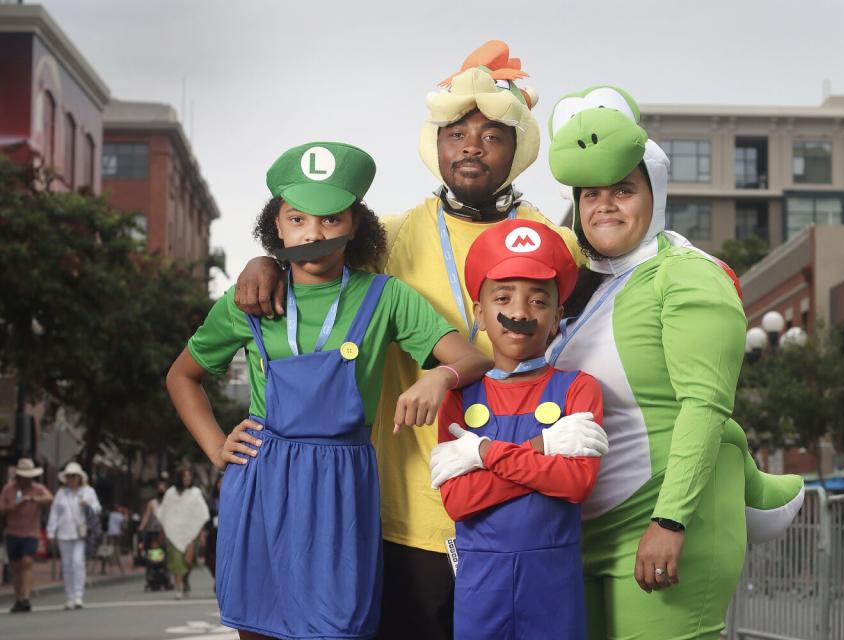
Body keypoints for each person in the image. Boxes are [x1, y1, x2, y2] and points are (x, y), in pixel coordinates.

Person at [233, 42, 580, 640]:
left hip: (518, 512)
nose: (471, 145)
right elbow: (313, 262)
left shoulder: (558, 245)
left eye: (492, 134)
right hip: (405, 511)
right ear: (435, 144)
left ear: (518, 147)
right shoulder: (387, 238)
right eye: (456, 132)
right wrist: (262, 264)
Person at [166, 141, 491, 640]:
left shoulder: (386, 296)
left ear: (355, 224)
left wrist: (438, 375)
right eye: (298, 219)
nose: (313, 233)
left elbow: (472, 358)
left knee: (340, 626)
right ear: (277, 223)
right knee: (259, 626)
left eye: (331, 220)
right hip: (262, 479)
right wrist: (215, 446)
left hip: (343, 484)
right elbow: (182, 375)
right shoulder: (249, 298)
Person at [545, 85, 805, 639]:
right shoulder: (574, 288)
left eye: (622, 189)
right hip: (582, 535)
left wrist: (671, 519)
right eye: (590, 193)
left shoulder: (687, 273)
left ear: (654, 192)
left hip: (669, 522)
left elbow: (705, 404)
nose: (604, 205)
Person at [430, 219, 608, 639]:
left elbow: (576, 483)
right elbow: (459, 501)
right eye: (503, 297)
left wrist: (484, 455)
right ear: (480, 313)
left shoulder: (578, 388)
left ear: (556, 316)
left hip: (553, 578)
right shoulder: (460, 395)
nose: (519, 313)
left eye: (538, 301)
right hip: (480, 579)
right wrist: (542, 446)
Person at [0, 458, 53, 613]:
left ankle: (26, 597)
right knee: (15, 567)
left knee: (27, 562)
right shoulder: (8, 489)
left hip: (31, 532)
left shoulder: (38, 488)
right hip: (13, 532)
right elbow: (2, 508)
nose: (26, 478)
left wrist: (32, 499)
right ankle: (18, 598)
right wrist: (16, 506)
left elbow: (50, 498)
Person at [47, 461, 101, 610]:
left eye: (74, 476)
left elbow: (97, 509)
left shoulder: (88, 491)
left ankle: (78, 595)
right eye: (69, 476)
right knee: (67, 565)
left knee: (78, 562)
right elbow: (55, 513)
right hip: (64, 533)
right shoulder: (61, 493)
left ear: (79, 477)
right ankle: (69, 596)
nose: (71, 479)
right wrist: (51, 531)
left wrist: (87, 505)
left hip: (81, 533)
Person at [158, 467, 208, 599]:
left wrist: (201, 533)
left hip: (192, 532)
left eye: (189, 476)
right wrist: (165, 530)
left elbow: (202, 514)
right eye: (185, 476)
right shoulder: (170, 493)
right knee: (176, 561)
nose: (187, 478)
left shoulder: (195, 493)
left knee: (188, 561)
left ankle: (185, 579)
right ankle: (178, 588)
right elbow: (164, 513)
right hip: (173, 532)